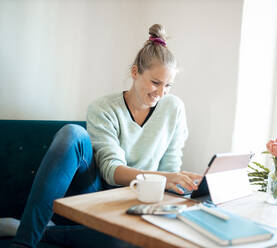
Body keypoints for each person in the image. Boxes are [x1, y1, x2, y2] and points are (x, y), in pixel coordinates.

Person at [9, 24, 201, 248]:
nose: (161, 93)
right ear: (135, 72)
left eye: (168, 85)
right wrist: (166, 178)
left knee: (125, 240)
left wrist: (186, 185)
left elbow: (170, 168)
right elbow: (111, 171)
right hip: (98, 193)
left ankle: (41, 230)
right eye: (155, 82)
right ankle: (23, 242)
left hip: (138, 204)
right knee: (73, 133)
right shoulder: (103, 108)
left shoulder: (174, 108)